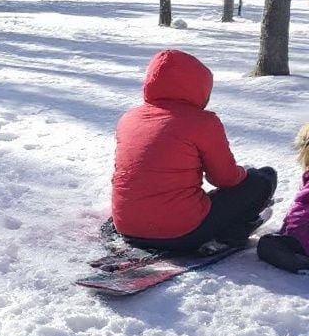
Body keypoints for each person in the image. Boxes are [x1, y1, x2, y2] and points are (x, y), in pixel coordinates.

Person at [111, 49, 276, 254]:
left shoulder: (128, 119)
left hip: (126, 226)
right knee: (264, 178)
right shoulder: (203, 122)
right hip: (181, 234)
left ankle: (145, 224)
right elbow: (225, 179)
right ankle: (229, 235)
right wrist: (246, 172)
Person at [257, 122, 309, 274]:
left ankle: (301, 262)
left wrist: (288, 232)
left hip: (302, 242)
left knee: (266, 244)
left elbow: (299, 215)